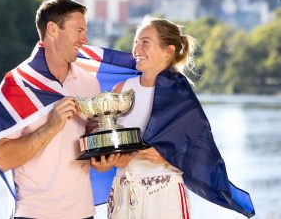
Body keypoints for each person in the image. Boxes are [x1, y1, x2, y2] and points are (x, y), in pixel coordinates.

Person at [92, 16, 255, 219]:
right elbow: (109, 145)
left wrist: (167, 156)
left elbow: (200, 149)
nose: (136, 49)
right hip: (124, 192)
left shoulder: (180, 94)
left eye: (145, 42)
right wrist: (105, 161)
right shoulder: (121, 90)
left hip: (164, 193)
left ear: (167, 51)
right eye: (135, 42)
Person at [0, 0, 115, 219]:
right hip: (34, 213)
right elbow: (3, 159)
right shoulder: (17, 84)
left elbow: (90, 143)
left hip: (82, 212)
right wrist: (50, 127)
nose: (85, 39)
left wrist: (101, 157)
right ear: (53, 29)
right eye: (79, 30)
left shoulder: (89, 82)